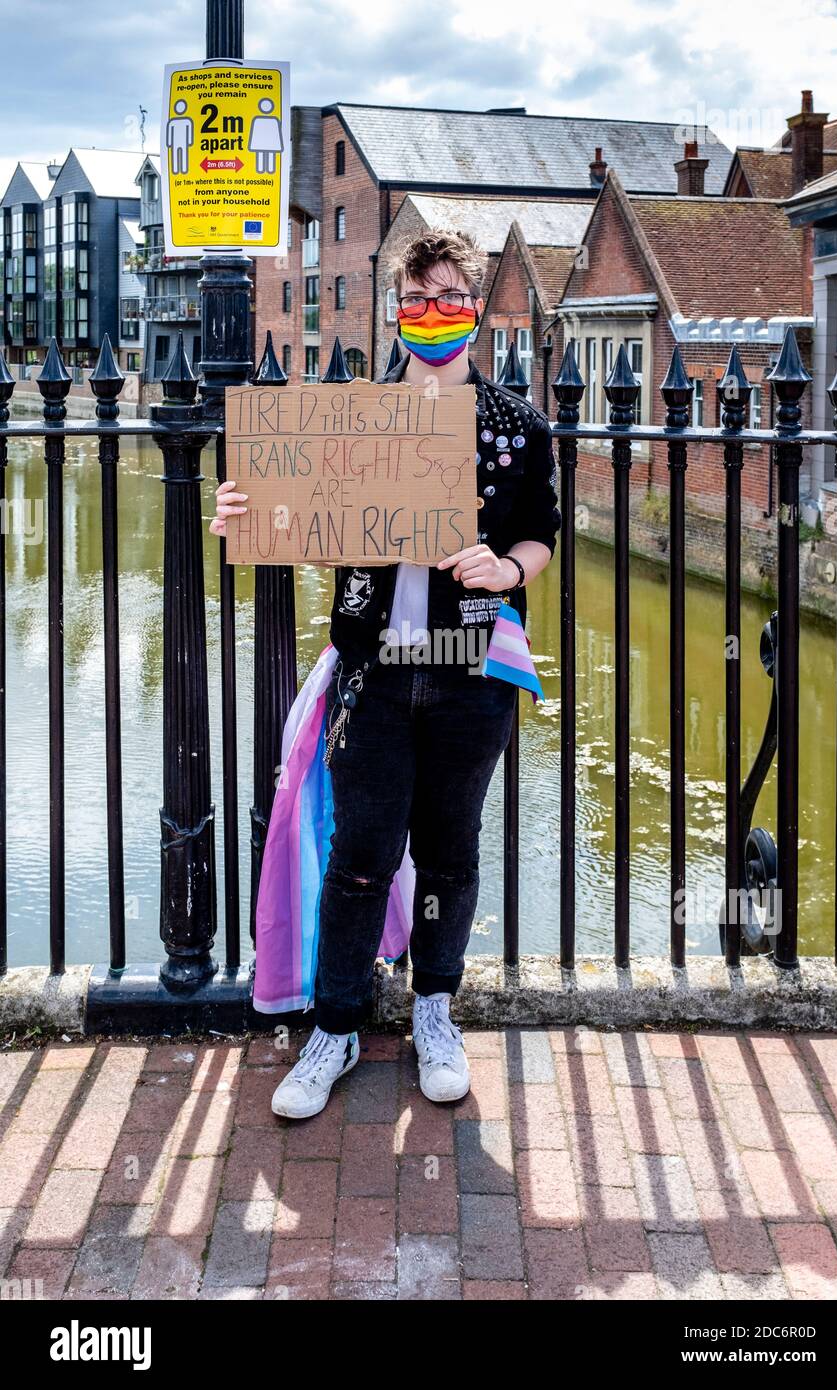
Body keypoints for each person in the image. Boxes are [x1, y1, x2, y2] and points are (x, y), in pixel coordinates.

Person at [211, 230, 561, 1118]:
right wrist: (244, 513)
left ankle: (435, 1009)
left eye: (450, 297)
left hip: (467, 666)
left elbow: (541, 536)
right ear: (396, 309)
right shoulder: (349, 414)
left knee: (449, 852)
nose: (432, 315)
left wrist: (509, 569)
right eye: (416, 300)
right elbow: (289, 509)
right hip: (372, 666)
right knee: (360, 858)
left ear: (475, 308)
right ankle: (335, 1026)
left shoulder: (520, 427)